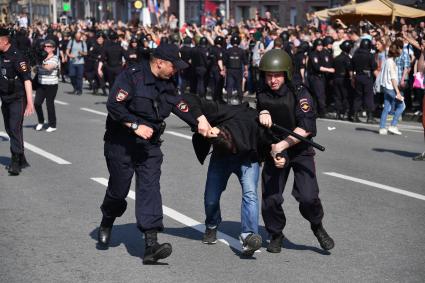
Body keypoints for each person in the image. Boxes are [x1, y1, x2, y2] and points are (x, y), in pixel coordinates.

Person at [97, 43, 212, 264]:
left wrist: (199, 121)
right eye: (173, 66)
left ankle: (150, 245)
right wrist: (134, 125)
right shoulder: (132, 76)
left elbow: (178, 103)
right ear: (159, 63)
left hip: (149, 145)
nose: (176, 70)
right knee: (118, 190)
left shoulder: (167, 82)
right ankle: (108, 218)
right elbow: (114, 105)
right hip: (121, 142)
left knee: (150, 188)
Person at [256, 49, 334, 253]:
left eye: (277, 75)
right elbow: (257, 122)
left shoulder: (300, 92)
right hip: (274, 149)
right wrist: (261, 113)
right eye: (268, 75)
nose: (272, 80)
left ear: (286, 74)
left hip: (300, 149)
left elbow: (307, 127)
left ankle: (317, 226)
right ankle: (275, 234)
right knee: (270, 198)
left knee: (308, 197)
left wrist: (282, 146)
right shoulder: (261, 92)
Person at [185, 95, 264, 256]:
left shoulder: (252, 121)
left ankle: (249, 236)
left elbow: (271, 139)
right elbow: (188, 98)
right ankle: (212, 225)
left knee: (250, 194)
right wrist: (201, 119)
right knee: (211, 198)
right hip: (221, 158)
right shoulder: (220, 111)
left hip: (248, 158)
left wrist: (266, 113)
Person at [0, 28, 34, 175]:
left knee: (14, 127)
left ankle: (15, 161)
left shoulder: (17, 56)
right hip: (4, 97)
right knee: (9, 128)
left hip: (17, 98)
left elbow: (27, 79)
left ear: (4, 41)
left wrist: (30, 102)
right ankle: (22, 156)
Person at [378, 42, 405, 135]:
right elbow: (393, 78)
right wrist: (398, 92)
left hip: (385, 87)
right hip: (390, 88)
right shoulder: (392, 63)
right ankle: (393, 125)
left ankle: (382, 128)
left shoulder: (387, 60)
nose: (401, 51)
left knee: (386, 107)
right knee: (402, 106)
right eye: (400, 49)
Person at [34, 40, 60, 132]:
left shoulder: (55, 58)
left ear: (53, 48)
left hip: (51, 85)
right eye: (45, 46)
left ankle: (52, 125)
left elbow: (49, 67)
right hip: (41, 84)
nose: (46, 48)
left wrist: (40, 62)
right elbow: (35, 69)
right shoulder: (42, 57)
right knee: (37, 103)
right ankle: (41, 121)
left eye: (48, 46)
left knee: (49, 104)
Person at [351, 39, 377, 123]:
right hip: (367, 76)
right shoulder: (370, 55)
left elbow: (351, 66)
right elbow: (374, 66)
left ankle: (355, 115)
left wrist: (352, 78)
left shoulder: (356, 54)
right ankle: (369, 117)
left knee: (358, 96)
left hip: (357, 76)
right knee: (368, 96)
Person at [223, 34, 248, 105]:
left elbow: (224, 62)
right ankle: (240, 101)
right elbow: (245, 62)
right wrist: (246, 71)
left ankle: (228, 100)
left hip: (230, 70)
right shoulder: (241, 51)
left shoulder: (228, 51)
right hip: (238, 70)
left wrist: (224, 70)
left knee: (229, 85)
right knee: (239, 86)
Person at [332, 40, 353, 120]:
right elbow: (349, 69)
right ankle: (344, 112)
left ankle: (338, 113)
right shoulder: (347, 58)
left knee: (337, 96)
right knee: (345, 96)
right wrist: (352, 78)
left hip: (336, 78)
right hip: (344, 79)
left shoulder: (337, 58)